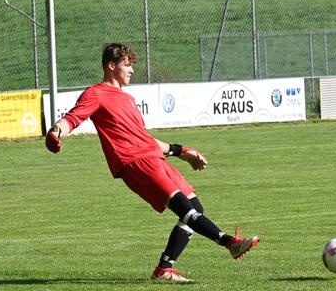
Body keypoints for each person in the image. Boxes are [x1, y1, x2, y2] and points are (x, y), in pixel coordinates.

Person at [45, 43, 259, 283]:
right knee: (185, 210)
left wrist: (182, 151)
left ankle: (164, 270)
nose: (132, 70)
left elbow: (144, 139)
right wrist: (55, 133)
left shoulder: (127, 99)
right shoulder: (95, 93)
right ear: (111, 65)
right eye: (127, 65)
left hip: (154, 158)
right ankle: (230, 242)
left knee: (195, 208)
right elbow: (72, 118)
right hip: (135, 163)